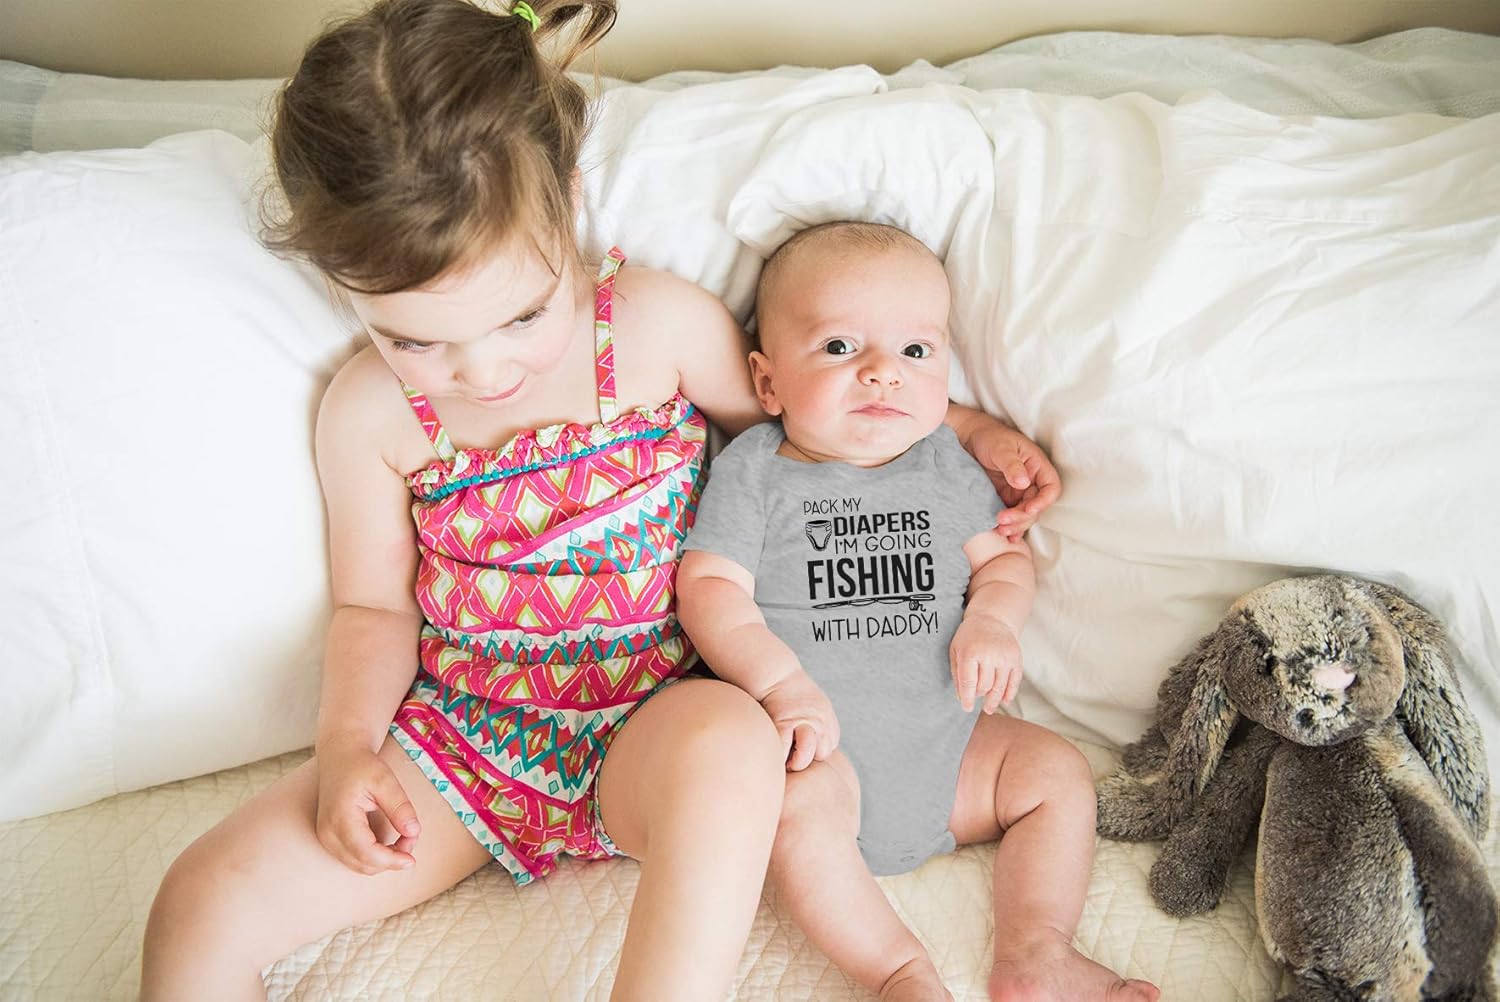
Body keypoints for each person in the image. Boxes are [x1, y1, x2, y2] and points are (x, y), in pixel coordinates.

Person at [138, 5, 1061, 1000]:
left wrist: (973, 432)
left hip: (664, 721)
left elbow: (810, 416)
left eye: (522, 315)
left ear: (568, 204)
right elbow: (373, 608)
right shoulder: (369, 412)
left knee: (733, 748)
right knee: (200, 900)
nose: (483, 372)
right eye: (415, 340)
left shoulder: (656, 327)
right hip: (473, 743)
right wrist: (345, 751)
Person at [677, 222, 1159, 1002]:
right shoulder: (756, 471)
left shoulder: (943, 465)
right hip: (821, 756)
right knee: (795, 811)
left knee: (1056, 774)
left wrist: (992, 622)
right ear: (768, 384)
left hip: (952, 752)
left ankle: (1037, 951)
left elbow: (1003, 561)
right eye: (839, 347)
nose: (882, 373)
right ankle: (897, 972)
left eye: (914, 351)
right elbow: (709, 589)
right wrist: (779, 685)